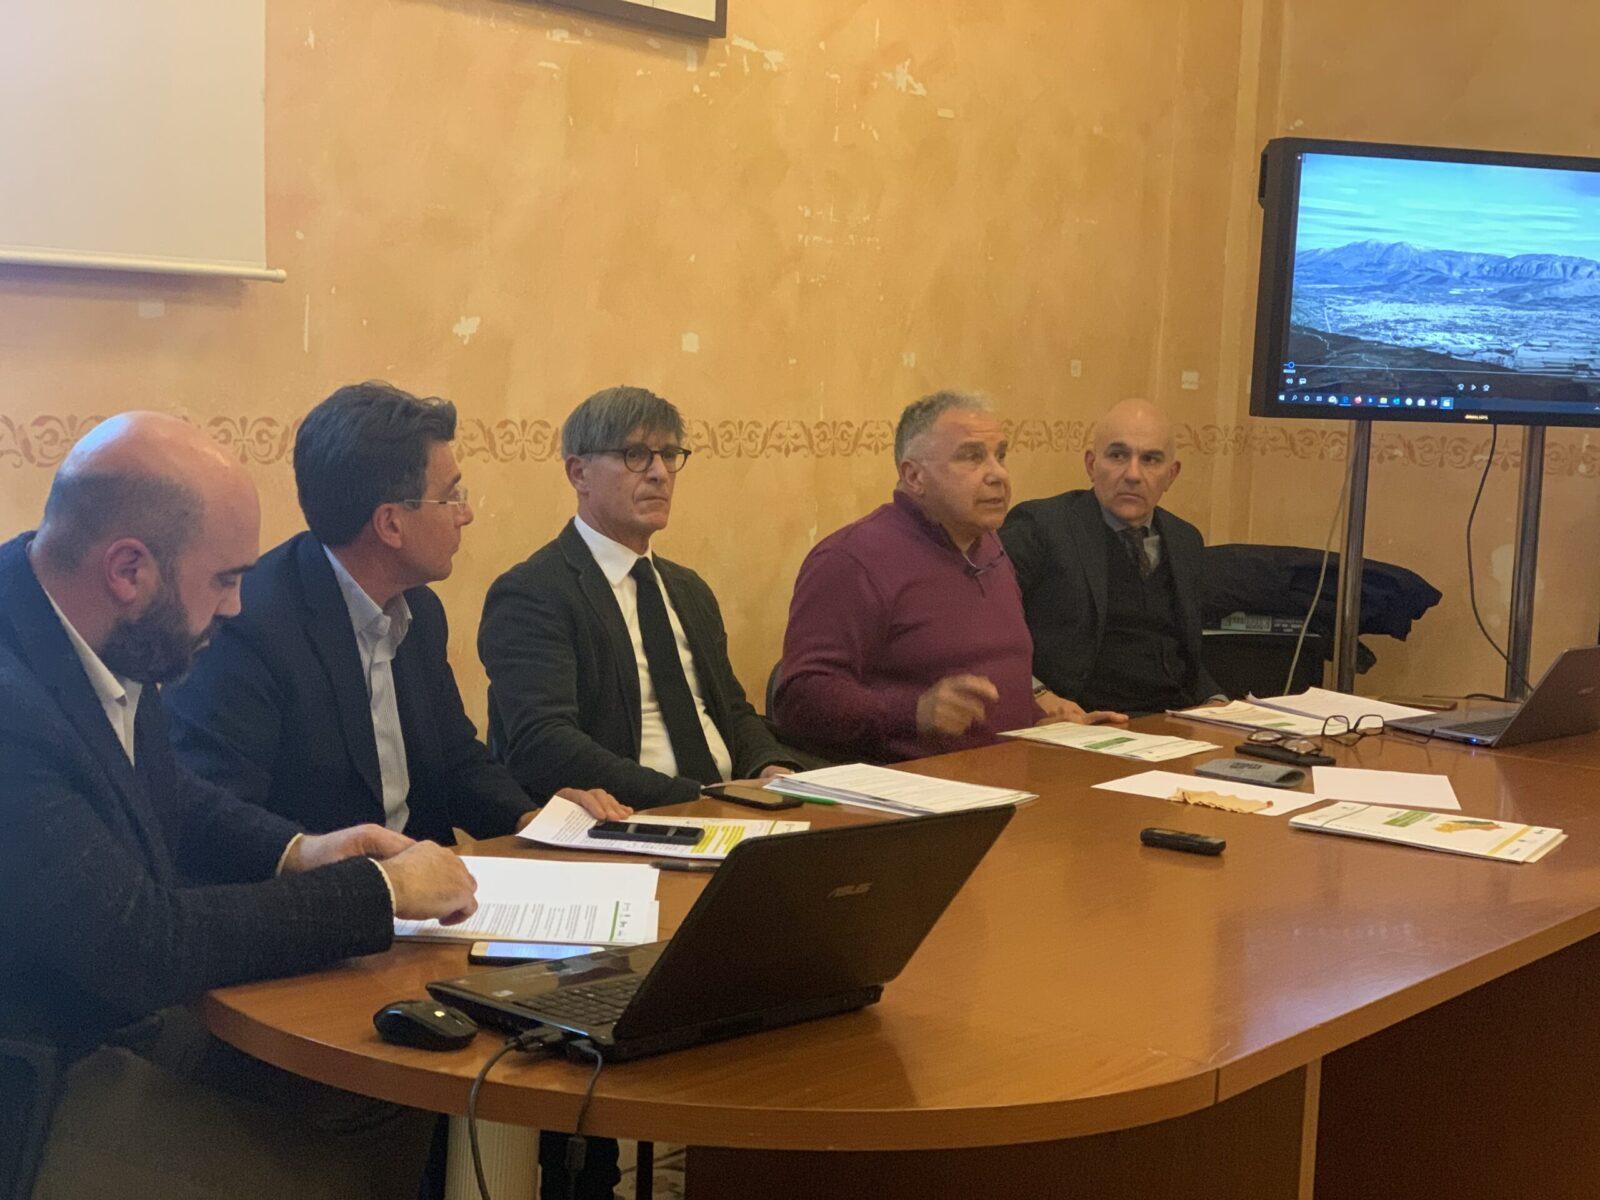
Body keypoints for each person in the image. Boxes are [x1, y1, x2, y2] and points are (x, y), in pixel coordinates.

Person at [0, 412, 478, 1200]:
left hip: (109, 1022)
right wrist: (377, 892)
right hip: (39, 1081)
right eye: (225, 579)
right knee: (343, 1169)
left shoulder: (92, 625)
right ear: (128, 568)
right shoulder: (14, 710)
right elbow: (142, 944)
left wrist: (300, 851)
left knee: (389, 1097)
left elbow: (167, 794)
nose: (234, 607)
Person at [167, 382, 628, 850]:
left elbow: (454, 760)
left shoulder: (419, 610)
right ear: (390, 524)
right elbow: (219, 821)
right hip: (332, 888)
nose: (466, 514)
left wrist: (532, 818)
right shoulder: (248, 626)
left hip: (429, 880)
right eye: (451, 496)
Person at [479, 385, 801, 812]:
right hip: (629, 817)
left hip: (730, 808)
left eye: (669, 454)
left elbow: (732, 710)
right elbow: (545, 743)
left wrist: (771, 767)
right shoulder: (533, 593)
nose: (659, 473)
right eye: (635, 455)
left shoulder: (689, 590)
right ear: (579, 474)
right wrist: (693, 799)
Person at [772, 391, 1124, 763]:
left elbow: (996, 686)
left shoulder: (991, 548)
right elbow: (798, 701)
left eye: (1001, 455)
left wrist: (1049, 724)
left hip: (1010, 771)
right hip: (913, 784)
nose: (998, 474)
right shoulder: (852, 559)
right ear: (914, 476)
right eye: (972, 457)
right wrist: (913, 712)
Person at [999, 398, 1223, 717]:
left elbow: (1185, 655)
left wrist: (1216, 700)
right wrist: (1036, 693)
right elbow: (987, 629)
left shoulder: (1185, 539)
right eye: (1118, 456)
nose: (1133, 474)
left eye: (1150, 460)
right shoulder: (1041, 527)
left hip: (1173, 721)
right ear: (1091, 465)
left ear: (1171, 474)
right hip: (1084, 721)